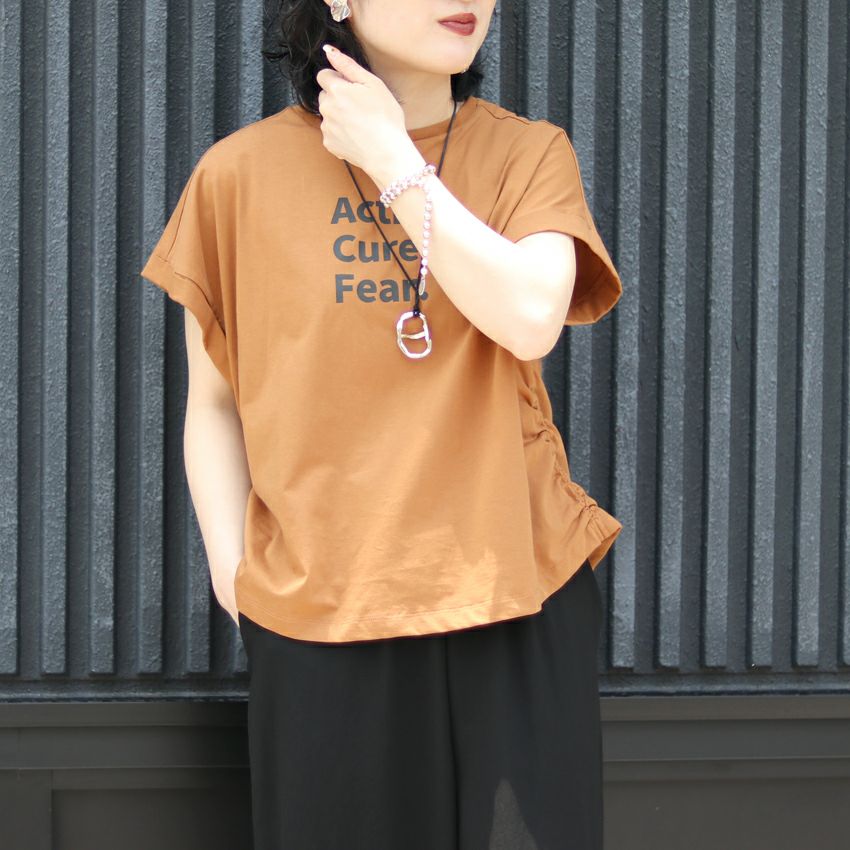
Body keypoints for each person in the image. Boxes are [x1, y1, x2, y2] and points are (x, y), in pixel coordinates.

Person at [140, 1, 623, 847]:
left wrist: (394, 159)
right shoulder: (238, 176)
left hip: (516, 594)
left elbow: (529, 319)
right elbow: (214, 404)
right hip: (322, 612)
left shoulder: (527, 154)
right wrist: (234, 574)